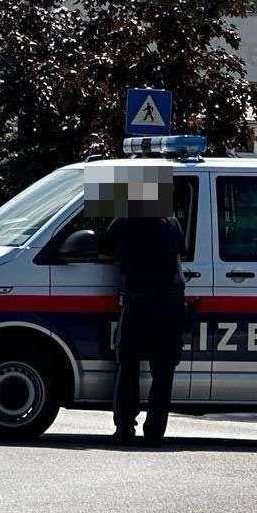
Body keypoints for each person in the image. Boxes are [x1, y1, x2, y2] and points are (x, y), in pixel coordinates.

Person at [105, 173, 186, 445]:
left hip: (138, 302)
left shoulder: (124, 220)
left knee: (128, 365)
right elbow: (182, 252)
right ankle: (154, 433)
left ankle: (124, 428)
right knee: (163, 371)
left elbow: (103, 251)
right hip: (170, 303)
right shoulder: (171, 222)